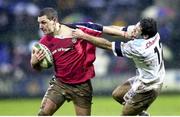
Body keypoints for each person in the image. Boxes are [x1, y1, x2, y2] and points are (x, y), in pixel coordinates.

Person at [30, 7, 130, 116]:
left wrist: (124, 33)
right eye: (39, 23)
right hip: (60, 83)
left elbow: (104, 29)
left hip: (82, 86)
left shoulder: (76, 29)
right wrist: (34, 63)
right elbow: (38, 69)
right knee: (43, 114)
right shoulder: (43, 43)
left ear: (54, 20)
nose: (40, 26)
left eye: (43, 22)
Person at [72, 18, 165, 116]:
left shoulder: (140, 48)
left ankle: (137, 110)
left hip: (149, 86)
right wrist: (100, 28)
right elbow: (119, 29)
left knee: (125, 114)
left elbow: (107, 45)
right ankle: (141, 113)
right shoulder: (154, 34)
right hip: (145, 77)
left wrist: (84, 36)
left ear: (144, 35)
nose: (134, 29)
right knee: (118, 95)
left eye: (137, 30)